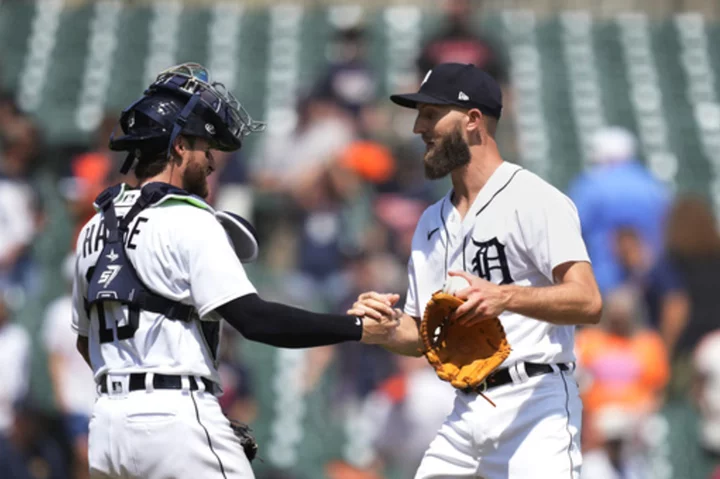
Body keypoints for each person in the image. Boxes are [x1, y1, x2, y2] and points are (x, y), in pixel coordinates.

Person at [71, 63, 399, 479]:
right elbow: (256, 321)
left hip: (107, 429)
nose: (211, 159)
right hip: (174, 421)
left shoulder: (94, 228)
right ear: (177, 147)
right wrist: (357, 328)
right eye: (205, 144)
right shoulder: (188, 219)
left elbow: (87, 342)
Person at [349, 62, 602, 478]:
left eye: (430, 114)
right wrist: (383, 326)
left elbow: (589, 300)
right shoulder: (431, 220)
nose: (418, 128)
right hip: (466, 410)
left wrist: (506, 297)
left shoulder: (534, 198)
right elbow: (419, 337)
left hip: (535, 404)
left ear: (472, 121)